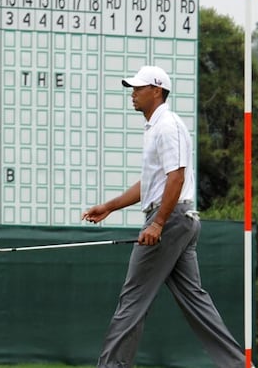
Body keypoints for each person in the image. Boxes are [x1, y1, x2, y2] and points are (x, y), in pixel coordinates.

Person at [82, 65, 248, 368]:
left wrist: (158, 222)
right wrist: (110, 206)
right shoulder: (156, 127)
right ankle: (238, 365)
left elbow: (176, 177)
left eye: (138, 87)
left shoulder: (167, 125)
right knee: (196, 301)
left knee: (132, 300)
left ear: (156, 91)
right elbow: (152, 183)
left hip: (169, 220)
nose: (133, 93)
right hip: (178, 220)